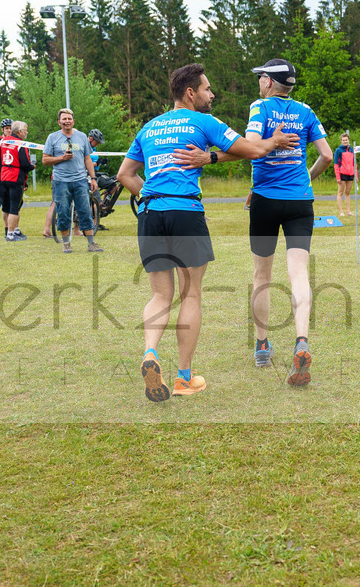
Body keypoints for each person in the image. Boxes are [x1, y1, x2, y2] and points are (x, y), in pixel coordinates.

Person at [118, 62, 299, 402]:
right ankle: (184, 378)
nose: (212, 94)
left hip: (150, 215)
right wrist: (274, 139)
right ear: (191, 93)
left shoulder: (150, 127)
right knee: (191, 295)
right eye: (207, 89)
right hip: (185, 212)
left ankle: (150, 354)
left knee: (159, 295)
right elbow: (254, 149)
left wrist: (147, 195)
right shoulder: (203, 121)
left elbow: (125, 175)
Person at [176, 58, 332, 386]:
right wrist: (305, 178)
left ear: (268, 82)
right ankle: (301, 341)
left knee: (262, 275)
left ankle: (262, 344)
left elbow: (251, 149)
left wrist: (212, 156)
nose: (259, 81)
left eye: (261, 76)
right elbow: (327, 155)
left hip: (265, 201)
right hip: (300, 202)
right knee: (299, 273)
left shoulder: (259, 108)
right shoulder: (306, 111)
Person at [42, 108, 102, 253]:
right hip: (61, 181)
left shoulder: (81, 137)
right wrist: (61, 158)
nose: (67, 121)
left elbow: (88, 159)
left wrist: (93, 178)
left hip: (80, 180)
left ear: (73, 121)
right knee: (63, 212)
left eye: (69, 118)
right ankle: (66, 243)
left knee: (85, 211)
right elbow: (45, 160)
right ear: (59, 122)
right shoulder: (52, 138)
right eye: (64, 119)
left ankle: (91, 243)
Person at [0, 121, 35, 241]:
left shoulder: (4, 141)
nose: (27, 132)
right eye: (26, 130)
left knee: (6, 206)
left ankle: (12, 230)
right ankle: (11, 234)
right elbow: (24, 163)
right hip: (15, 176)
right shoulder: (21, 144)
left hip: (4, 176)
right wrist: (32, 166)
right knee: (14, 207)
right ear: (19, 131)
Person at [334, 132, 357, 218]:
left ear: (349, 140)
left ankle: (348, 211)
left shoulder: (351, 150)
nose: (345, 142)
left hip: (350, 173)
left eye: (346, 140)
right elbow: (336, 164)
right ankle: (341, 212)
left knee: (347, 192)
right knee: (340, 192)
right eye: (343, 140)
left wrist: (356, 175)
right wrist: (338, 177)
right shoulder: (338, 150)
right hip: (342, 173)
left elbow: (355, 164)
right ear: (341, 141)